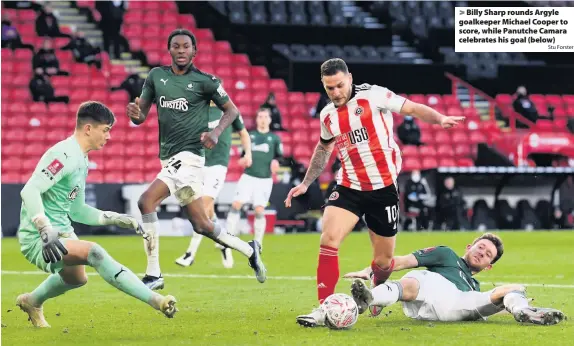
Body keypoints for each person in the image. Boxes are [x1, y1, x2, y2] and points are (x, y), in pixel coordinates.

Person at [283, 58, 465, 327]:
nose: (335, 93)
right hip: (348, 186)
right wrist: (307, 182)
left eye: (340, 86)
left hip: (383, 190)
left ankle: (376, 291)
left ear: (350, 78)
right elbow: (323, 149)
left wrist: (439, 118)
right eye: (329, 88)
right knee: (328, 240)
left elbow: (412, 108)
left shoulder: (374, 95)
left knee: (383, 262)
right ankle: (325, 307)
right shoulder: (327, 115)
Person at [16, 101, 178, 328]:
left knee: (77, 279)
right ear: (88, 129)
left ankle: (32, 301)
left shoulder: (81, 159)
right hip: (41, 237)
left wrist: (115, 218)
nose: (109, 136)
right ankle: (157, 300)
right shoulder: (62, 154)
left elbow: (77, 210)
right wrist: (43, 227)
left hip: (62, 232)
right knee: (95, 252)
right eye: (106, 130)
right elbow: (30, 190)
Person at [127, 29, 266, 290]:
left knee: (146, 201)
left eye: (186, 47)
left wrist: (215, 132)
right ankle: (250, 250)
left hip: (190, 158)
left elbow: (232, 110)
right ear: (169, 50)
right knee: (202, 224)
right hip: (168, 158)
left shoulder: (206, 81)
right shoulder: (156, 77)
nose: (181, 51)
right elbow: (140, 116)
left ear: (194, 51)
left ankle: (153, 273)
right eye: (176, 46)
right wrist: (134, 114)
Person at [345, 233, 564, 326]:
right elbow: (401, 261)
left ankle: (522, 312)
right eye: (481, 247)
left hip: (459, 304)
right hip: (426, 293)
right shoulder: (445, 254)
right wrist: (370, 270)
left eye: (488, 255)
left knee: (512, 288)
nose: (481, 253)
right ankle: (370, 298)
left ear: (488, 267)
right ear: (470, 247)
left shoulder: (474, 286)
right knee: (416, 278)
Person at [175, 100, 252, 268]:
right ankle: (224, 244)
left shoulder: (230, 111)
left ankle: (190, 254)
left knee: (201, 208)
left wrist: (248, 154)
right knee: (207, 211)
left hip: (218, 166)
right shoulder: (198, 111)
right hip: (199, 164)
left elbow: (244, 133)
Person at [224, 108, 283, 258]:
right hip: (248, 177)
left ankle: (258, 244)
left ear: (270, 120)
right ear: (256, 119)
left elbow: (280, 158)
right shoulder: (250, 136)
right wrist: (243, 160)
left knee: (259, 210)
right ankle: (228, 241)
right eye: (260, 116)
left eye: (265, 116)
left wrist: (276, 162)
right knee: (236, 204)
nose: (263, 119)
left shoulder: (274, 139)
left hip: (265, 180)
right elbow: (243, 157)